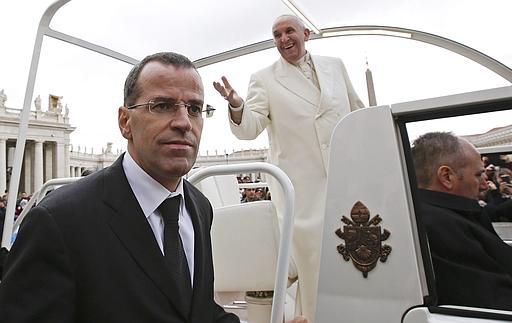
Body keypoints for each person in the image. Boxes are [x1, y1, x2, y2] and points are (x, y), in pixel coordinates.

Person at [0, 52, 237, 322]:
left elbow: (198, 311)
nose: (184, 122)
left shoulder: (199, 207)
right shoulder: (59, 221)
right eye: (162, 105)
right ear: (125, 122)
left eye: (194, 109)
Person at [213, 14, 365, 321]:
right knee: (315, 265)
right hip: (303, 190)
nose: (284, 39)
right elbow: (250, 128)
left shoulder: (335, 66)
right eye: (277, 34)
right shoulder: (264, 78)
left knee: (357, 259)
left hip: (346, 180)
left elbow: (357, 111)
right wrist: (237, 105)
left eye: (289, 31)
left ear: (306, 33)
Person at [412, 131, 512, 316]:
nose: (484, 185)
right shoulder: (439, 226)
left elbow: (507, 261)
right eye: (479, 174)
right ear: (447, 177)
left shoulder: (450, 216)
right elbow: (502, 310)